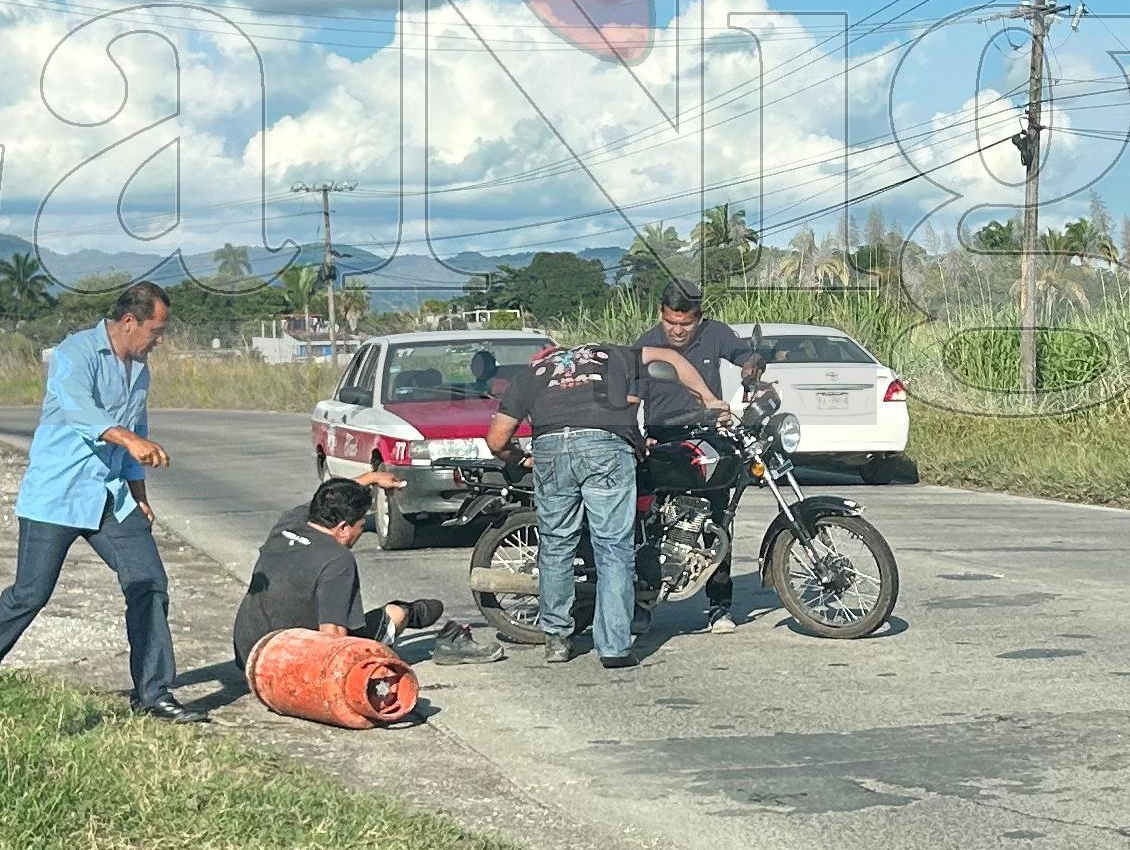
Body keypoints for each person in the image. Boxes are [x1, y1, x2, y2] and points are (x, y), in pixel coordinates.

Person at [0, 282, 201, 722]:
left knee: (148, 582)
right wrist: (129, 440)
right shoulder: (75, 354)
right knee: (31, 593)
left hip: (110, 494)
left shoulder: (139, 369)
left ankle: (153, 693)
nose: (159, 340)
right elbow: (81, 412)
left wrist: (139, 494)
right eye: (156, 330)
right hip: (57, 494)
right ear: (129, 322)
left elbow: (136, 427)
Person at [229, 470, 499, 668]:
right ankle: (407, 613)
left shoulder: (289, 523)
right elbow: (332, 639)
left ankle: (411, 613)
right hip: (285, 666)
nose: (361, 533)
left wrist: (370, 479)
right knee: (395, 613)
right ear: (344, 528)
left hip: (248, 654)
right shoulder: (337, 560)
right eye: (361, 526)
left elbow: (326, 498)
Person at [484, 337, 643, 668]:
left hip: (551, 449)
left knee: (556, 544)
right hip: (605, 446)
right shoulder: (609, 360)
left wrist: (524, 459)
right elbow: (630, 406)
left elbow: (496, 440)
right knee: (613, 546)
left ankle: (556, 639)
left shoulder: (529, 374)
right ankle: (614, 647)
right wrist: (638, 445)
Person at [629, 283, 764, 632]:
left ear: (698, 319)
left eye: (685, 324)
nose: (677, 330)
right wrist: (637, 438)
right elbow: (631, 399)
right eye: (671, 322)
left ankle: (720, 605)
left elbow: (743, 355)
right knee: (647, 521)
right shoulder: (646, 344)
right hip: (663, 439)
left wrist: (752, 365)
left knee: (718, 520)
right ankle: (640, 602)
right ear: (661, 314)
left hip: (709, 437)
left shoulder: (714, 333)